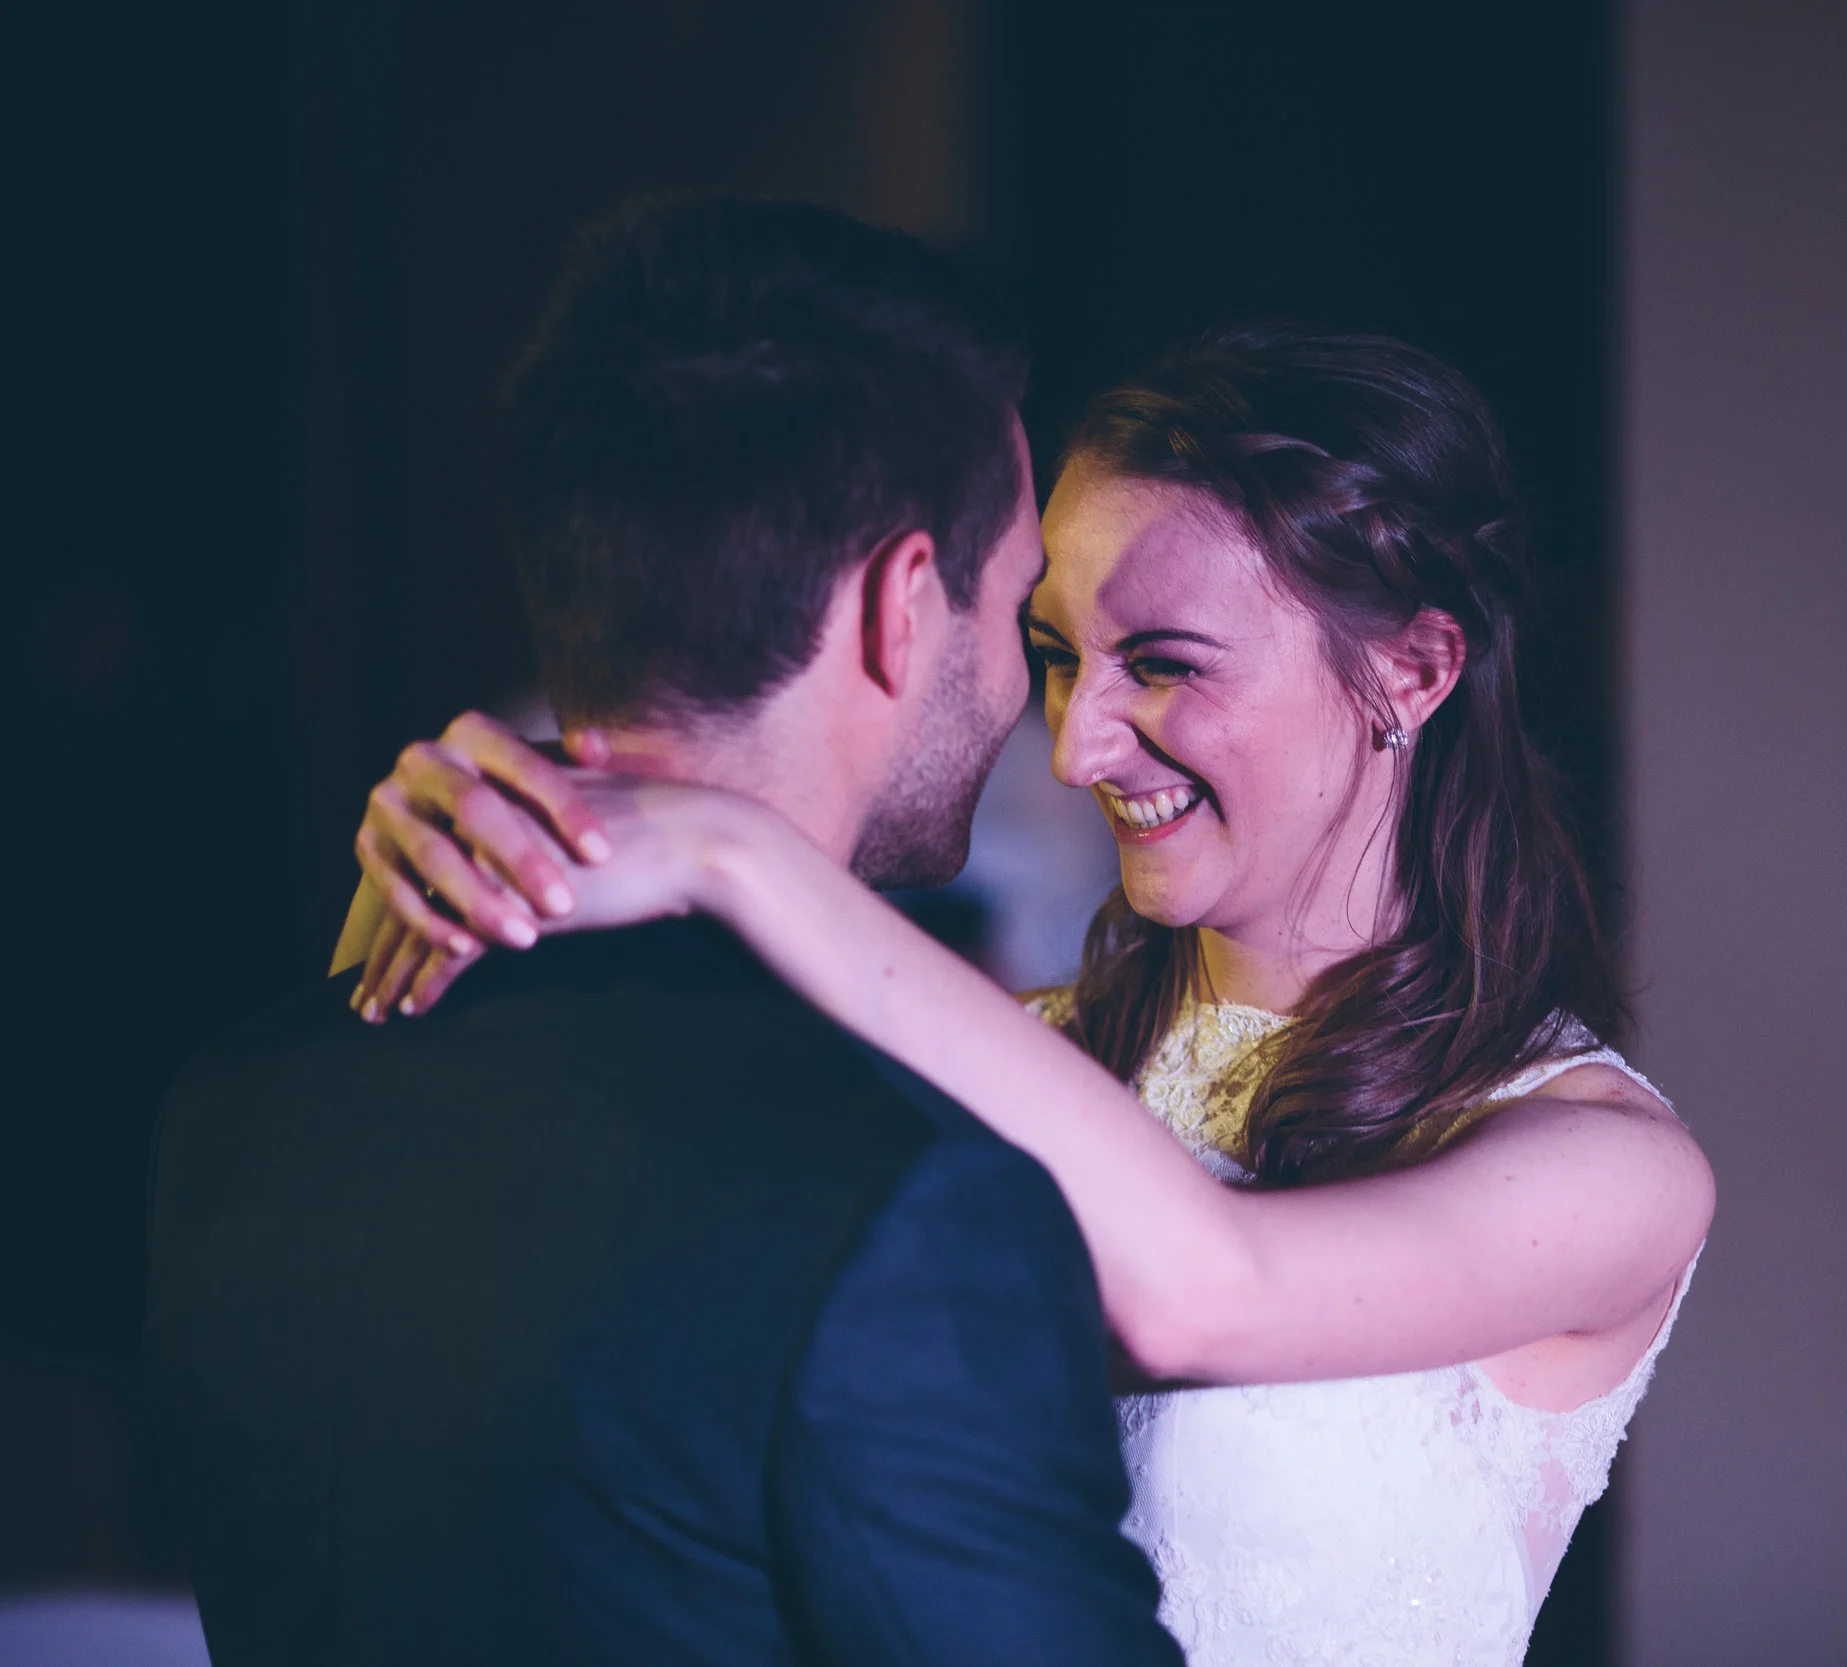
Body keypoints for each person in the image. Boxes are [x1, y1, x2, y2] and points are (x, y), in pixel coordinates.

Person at [349, 326, 1718, 1666]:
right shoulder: (1006, 1057)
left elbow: (1207, 1298)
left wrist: (724, 844)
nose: (1074, 749)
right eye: (1056, 655)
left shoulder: (1609, 1166)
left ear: (1414, 671)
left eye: (1166, 664)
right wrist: (465, 847)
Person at [146, 196, 1181, 1666]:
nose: (1040, 707)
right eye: (1017, 616)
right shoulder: (910, 1211)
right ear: (899, 607)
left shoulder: (241, 1105)